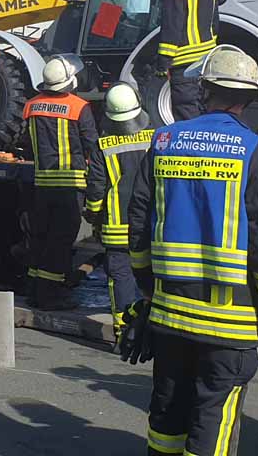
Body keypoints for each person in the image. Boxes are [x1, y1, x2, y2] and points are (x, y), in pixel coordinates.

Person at [124, 45, 258, 456]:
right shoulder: (256, 151)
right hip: (229, 324)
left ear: (204, 90)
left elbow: (139, 218)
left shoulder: (165, 140)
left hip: (169, 315)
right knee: (213, 418)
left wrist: (147, 287)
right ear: (248, 98)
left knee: (167, 417)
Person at [22, 55, 101, 311]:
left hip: (41, 184)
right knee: (60, 242)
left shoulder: (31, 106)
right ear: (70, 81)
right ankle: (51, 297)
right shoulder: (79, 107)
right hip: (69, 186)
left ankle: (34, 291)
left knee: (40, 238)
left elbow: (25, 143)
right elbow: (92, 145)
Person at [84, 82, 154, 342]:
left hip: (117, 227)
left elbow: (96, 187)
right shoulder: (155, 138)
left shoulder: (103, 145)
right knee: (153, 277)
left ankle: (124, 333)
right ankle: (154, 330)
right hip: (149, 224)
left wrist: (93, 214)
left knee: (121, 278)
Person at [156, 0, 220, 121]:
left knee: (187, 114)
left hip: (184, 64)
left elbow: (171, 26)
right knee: (206, 111)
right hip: (207, 59)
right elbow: (215, 22)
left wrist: (163, 63)